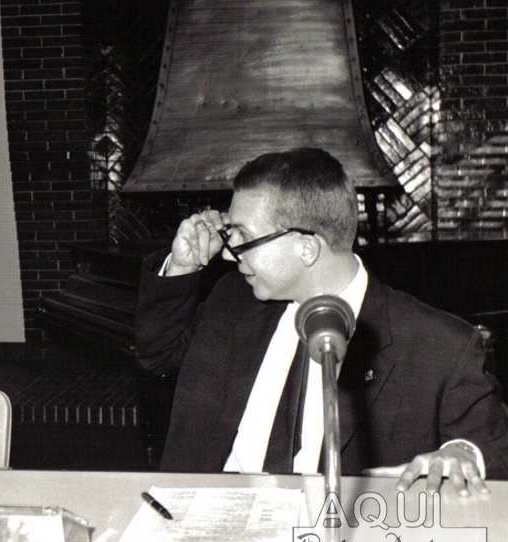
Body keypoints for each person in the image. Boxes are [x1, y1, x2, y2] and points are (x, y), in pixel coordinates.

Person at [136, 147, 508, 496]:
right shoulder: (232, 302)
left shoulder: (441, 346)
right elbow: (159, 354)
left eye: (244, 237)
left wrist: (463, 454)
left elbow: (493, 451)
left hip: (342, 530)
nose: (231, 256)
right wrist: (182, 265)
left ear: (307, 247)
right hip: (204, 524)